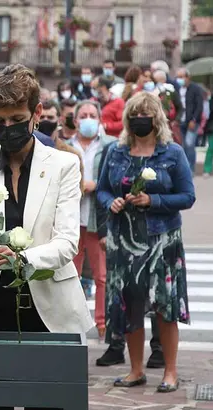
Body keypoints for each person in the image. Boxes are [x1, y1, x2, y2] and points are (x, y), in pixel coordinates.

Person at [0, 64, 92, 410]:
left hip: (48, 312)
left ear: (37, 113)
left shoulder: (64, 165)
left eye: (16, 119)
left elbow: (67, 242)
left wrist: (21, 259)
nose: (8, 128)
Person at [97, 91, 195, 393]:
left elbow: (187, 196)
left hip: (162, 240)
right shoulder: (115, 151)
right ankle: (136, 369)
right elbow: (102, 190)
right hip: (124, 241)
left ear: (157, 119)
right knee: (130, 305)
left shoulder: (172, 153)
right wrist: (111, 202)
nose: (140, 119)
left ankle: (170, 371)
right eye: (135, 115)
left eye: (146, 115)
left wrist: (153, 200)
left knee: (165, 306)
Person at [68, 101, 117, 342]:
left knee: (102, 276)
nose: (88, 119)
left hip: (98, 219)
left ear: (99, 119)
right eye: (83, 115)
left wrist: (96, 185)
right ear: (75, 120)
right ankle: (72, 323)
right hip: (71, 219)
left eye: (92, 115)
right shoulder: (66, 146)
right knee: (70, 275)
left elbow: (115, 179)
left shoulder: (110, 145)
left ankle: (102, 322)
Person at [176, 68, 205, 173]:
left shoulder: (195, 88)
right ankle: (183, 168)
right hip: (180, 121)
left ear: (188, 77)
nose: (179, 79)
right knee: (181, 145)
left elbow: (199, 106)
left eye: (181, 77)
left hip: (192, 121)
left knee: (189, 144)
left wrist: (194, 119)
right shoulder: (177, 89)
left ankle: (190, 168)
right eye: (178, 77)